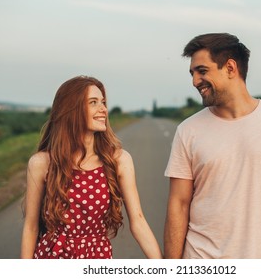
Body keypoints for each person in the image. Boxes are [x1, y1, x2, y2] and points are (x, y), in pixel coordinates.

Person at [164, 33, 261, 259]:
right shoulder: (188, 130)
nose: (195, 81)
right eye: (192, 73)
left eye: (202, 71)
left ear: (231, 68)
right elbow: (179, 204)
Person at [21, 75, 162, 259]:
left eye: (103, 102)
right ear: (72, 109)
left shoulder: (118, 160)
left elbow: (138, 222)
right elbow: (31, 227)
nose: (104, 109)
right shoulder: (41, 163)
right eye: (94, 102)